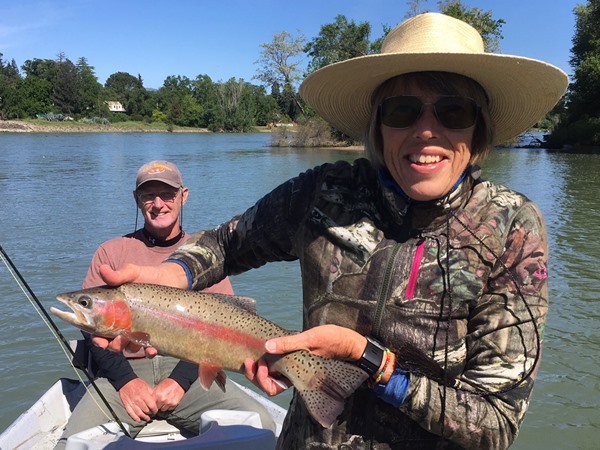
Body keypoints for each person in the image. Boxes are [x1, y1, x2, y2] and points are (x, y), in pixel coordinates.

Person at [93, 13, 568, 450]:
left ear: (477, 129)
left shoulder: (512, 227)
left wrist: (370, 360)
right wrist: (179, 273)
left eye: (453, 111)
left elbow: (497, 423)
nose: (427, 130)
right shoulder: (323, 192)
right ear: (378, 125)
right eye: (403, 111)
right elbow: (226, 243)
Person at [55, 160, 275, 449]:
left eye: (167, 194)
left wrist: (179, 383)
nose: (158, 204)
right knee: (71, 445)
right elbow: (94, 336)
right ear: (137, 199)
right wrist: (127, 383)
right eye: (149, 195)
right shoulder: (111, 252)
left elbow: (223, 328)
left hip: (192, 373)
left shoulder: (208, 255)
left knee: (263, 428)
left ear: (183, 196)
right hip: (121, 376)